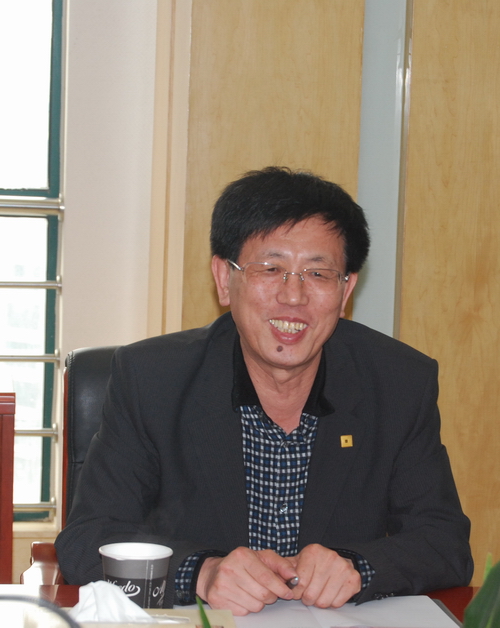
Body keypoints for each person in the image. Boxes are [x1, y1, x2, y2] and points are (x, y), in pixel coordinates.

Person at [55, 167, 473, 615]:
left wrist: (358, 568)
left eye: (318, 273)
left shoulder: (399, 382)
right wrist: (201, 573)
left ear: (346, 289)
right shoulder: (152, 380)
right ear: (224, 279)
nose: (293, 297)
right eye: (271, 269)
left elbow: (444, 542)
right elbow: (87, 538)